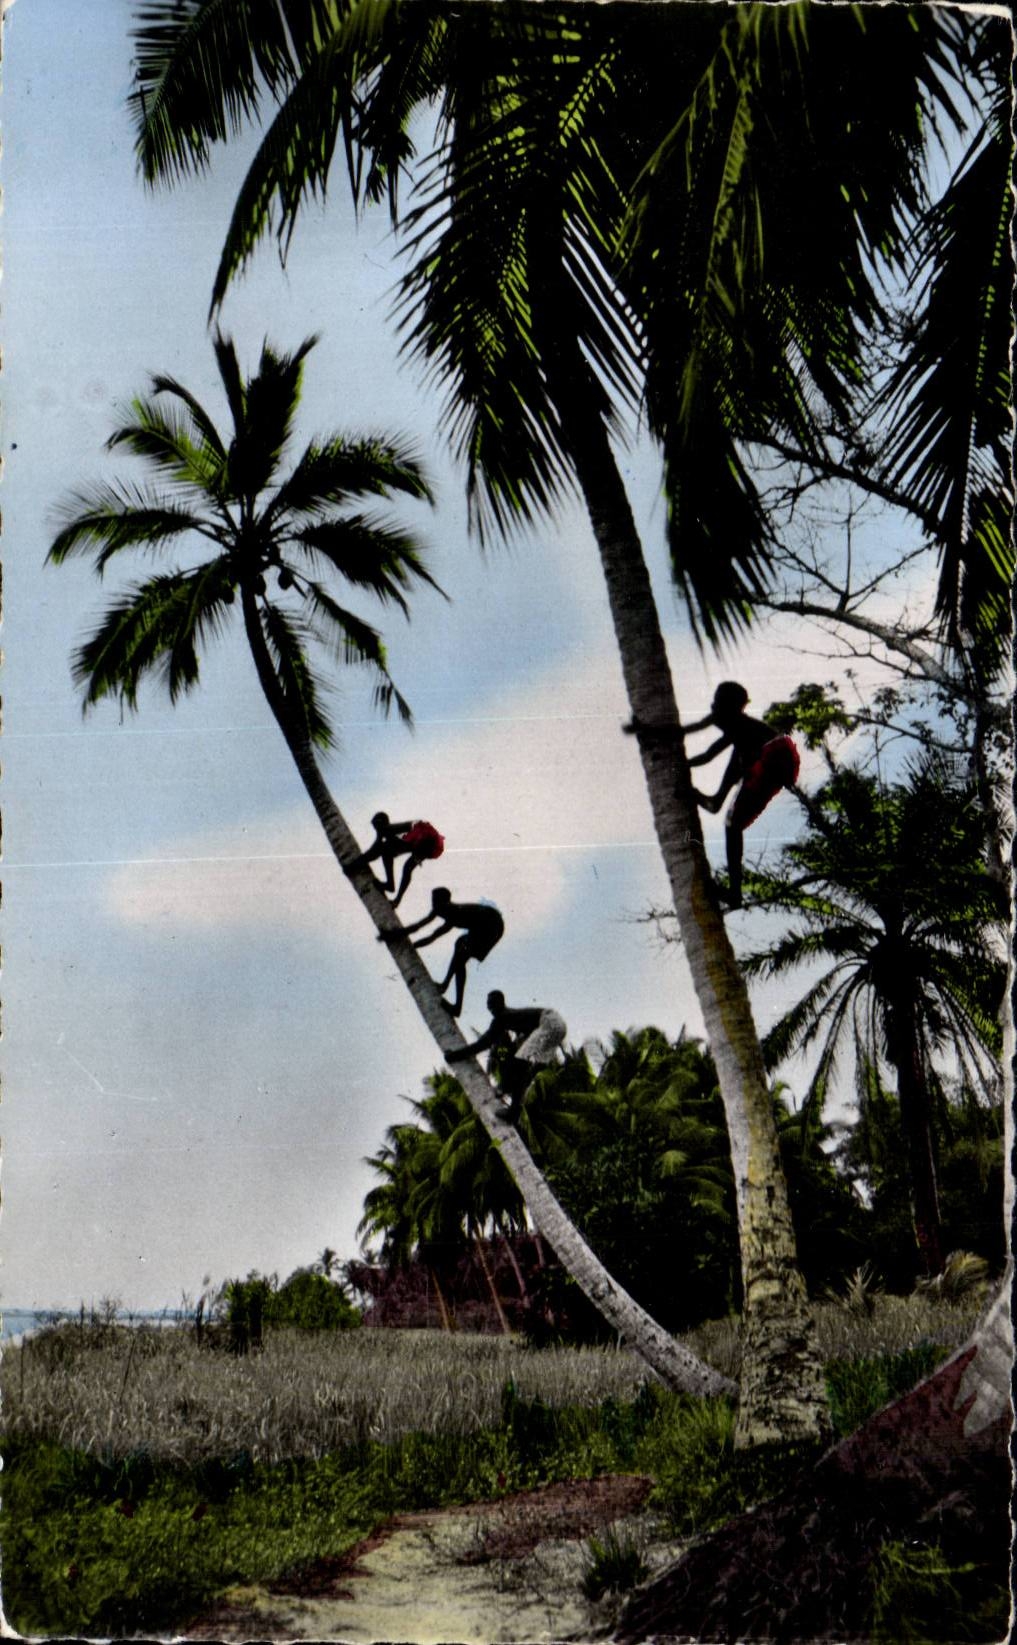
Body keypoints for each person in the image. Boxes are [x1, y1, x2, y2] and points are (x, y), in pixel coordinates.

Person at [684, 681, 800, 910]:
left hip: (773, 760)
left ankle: (734, 893)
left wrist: (680, 764)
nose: (713, 709)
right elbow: (698, 735)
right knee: (738, 761)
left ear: (729, 708)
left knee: (733, 825)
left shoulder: (738, 725)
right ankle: (714, 800)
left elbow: (708, 755)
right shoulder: (740, 730)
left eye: (718, 704)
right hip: (771, 759)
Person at [446, 991, 567, 1119]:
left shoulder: (502, 1018)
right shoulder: (509, 1016)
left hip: (549, 1023)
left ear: (500, 1003)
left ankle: (512, 1110)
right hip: (556, 1024)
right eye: (489, 1005)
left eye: (492, 1004)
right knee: (523, 1067)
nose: (490, 1008)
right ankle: (510, 1097)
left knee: (519, 1066)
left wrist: (454, 1056)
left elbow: (481, 1044)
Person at [384, 888, 504, 1017]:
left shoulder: (453, 913)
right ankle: (449, 993)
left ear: (445, 903)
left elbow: (429, 934)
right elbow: (425, 931)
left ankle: (450, 994)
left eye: (436, 902)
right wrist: (410, 943)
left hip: (492, 924)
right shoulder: (444, 911)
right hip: (489, 924)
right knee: (460, 950)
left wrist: (405, 940)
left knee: (461, 949)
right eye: (433, 902)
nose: (434, 906)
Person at [350, 812, 445, 909]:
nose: (376, 830)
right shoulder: (391, 831)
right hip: (429, 843)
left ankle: (393, 891)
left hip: (427, 842)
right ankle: (392, 889)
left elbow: (374, 851)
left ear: (380, 824)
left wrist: (354, 864)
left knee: (400, 861)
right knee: (390, 853)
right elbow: (376, 849)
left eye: (376, 827)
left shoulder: (388, 829)